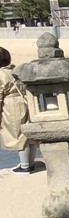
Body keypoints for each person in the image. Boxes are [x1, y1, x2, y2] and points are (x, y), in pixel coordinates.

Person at [1, 46, 36, 174]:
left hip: (11, 105)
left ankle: (25, 165)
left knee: (18, 135)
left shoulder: (1, 74)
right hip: (25, 102)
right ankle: (30, 163)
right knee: (29, 134)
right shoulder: (16, 71)